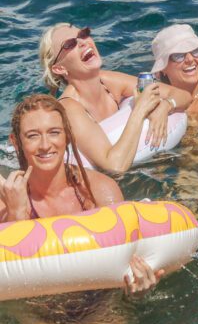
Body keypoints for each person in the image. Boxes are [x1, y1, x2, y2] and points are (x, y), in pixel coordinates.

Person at [1, 94, 163, 295]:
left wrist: (136, 293)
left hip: (101, 304)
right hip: (39, 312)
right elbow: (11, 278)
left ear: (67, 136)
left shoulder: (100, 191)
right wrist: (16, 213)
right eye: (32, 135)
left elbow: (121, 267)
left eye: (54, 132)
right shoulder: (8, 202)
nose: (45, 145)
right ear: (16, 142)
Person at [39, 24, 191, 173]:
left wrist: (166, 105)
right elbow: (114, 166)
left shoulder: (109, 82)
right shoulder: (69, 108)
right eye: (70, 44)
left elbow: (182, 95)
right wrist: (140, 110)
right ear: (60, 68)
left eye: (83, 34)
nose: (83, 42)